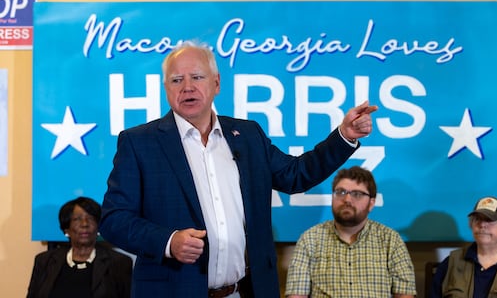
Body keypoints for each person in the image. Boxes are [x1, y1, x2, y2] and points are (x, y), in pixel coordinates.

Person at [99, 41, 378, 298]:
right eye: (176, 80)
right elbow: (114, 220)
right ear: (166, 88)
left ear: (216, 83)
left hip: (245, 291)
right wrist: (168, 242)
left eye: (197, 77)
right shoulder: (139, 143)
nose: (187, 87)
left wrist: (344, 136)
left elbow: (295, 175)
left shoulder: (247, 135)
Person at [285, 165, 417, 298]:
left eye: (357, 194)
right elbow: (296, 294)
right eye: (341, 192)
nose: (347, 199)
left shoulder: (390, 240)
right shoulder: (310, 239)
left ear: (371, 203)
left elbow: (405, 294)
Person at [27, 196, 132, 298]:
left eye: (90, 218)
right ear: (66, 228)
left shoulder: (119, 263)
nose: (85, 224)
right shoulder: (45, 261)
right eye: (77, 219)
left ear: (98, 226)